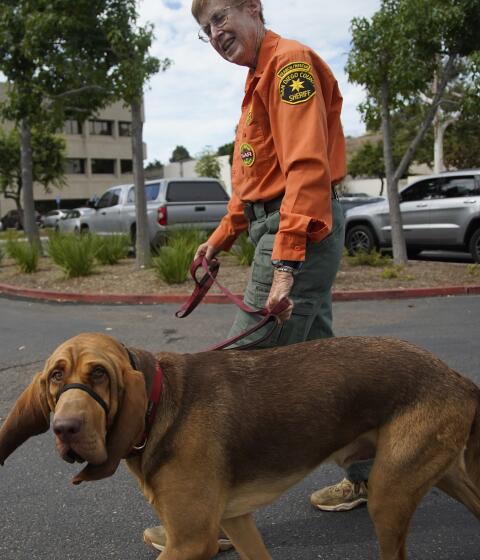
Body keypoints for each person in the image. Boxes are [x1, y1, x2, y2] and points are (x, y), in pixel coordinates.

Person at [142, 0, 371, 553]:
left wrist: (286, 263)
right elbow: (252, 187)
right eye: (204, 30)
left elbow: (307, 170)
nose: (215, 33)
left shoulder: (289, 66)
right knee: (332, 368)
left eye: (220, 18)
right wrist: (219, 239)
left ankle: (208, 518)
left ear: (253, 8)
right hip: (280, 223)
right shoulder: (254, 84)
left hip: (300, 227)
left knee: (238, 379)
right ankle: (373, 477)